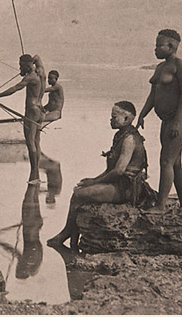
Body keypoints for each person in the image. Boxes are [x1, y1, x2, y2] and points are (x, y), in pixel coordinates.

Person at [47, 101, 156, 250]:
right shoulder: (120, 136)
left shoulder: (129, 139)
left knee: (79, 195)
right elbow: (110, 170)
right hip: (119, 184)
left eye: (114, 117)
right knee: (79, 191)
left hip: (127, 189)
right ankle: (72, 243)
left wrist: (94, 182)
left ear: (126, 118)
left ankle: (66, 234)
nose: (110, 120)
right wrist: (92, 180)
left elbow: (119, 171)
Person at [135, 29, 182, 210]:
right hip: (167, 119)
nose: (155, 49)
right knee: (175, 163)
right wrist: (142, 114)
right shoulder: (160, 68)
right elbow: (153, 95)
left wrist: (176, 121)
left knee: (166, 161)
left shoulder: (180, 65)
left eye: (159, 45)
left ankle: (160, 206)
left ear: (172, 46)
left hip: (180, 116)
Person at [0, 54, 45, 182]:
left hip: (31, 111)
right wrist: (29, 65)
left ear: (27, 65)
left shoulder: (30, 77)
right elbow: (37, 57)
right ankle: (36, 174)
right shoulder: (41, 72)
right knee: (36, 141)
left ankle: (34, 173)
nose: (19, 67)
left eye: (20, 65)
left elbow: (14, 89)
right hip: (40, 111)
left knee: (30, 142)